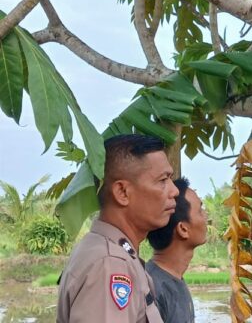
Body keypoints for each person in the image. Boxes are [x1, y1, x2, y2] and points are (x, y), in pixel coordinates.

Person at [57, 134, 179, 323]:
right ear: (122, 192)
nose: (174, 191)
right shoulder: (110, 264)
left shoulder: (113, 251)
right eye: (163, 180)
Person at [146, 178, 208, 323]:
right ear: (183, 229)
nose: (206, 216)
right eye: (200, 210)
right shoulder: (152, 288)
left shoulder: (175, 280)